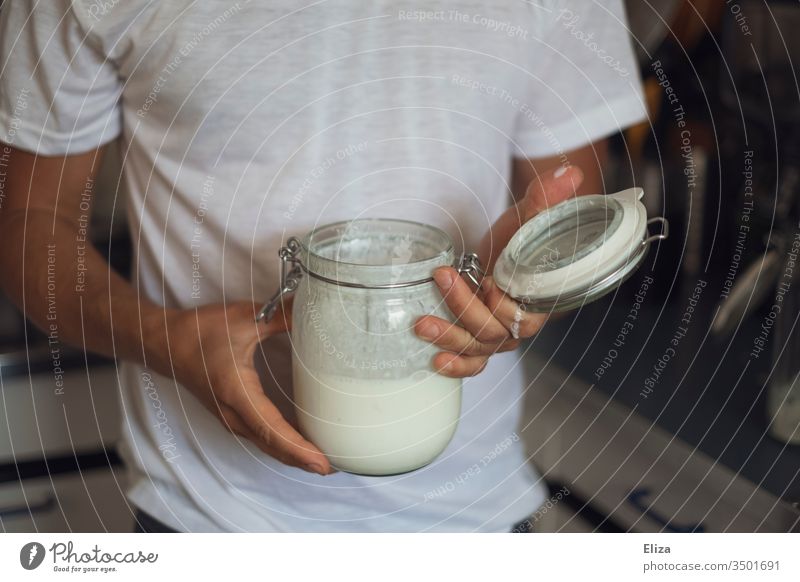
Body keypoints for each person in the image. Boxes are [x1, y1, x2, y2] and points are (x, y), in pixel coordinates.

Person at [0, 0, 646, 532]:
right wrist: (161, 340)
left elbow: (567, 204)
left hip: (473, 510)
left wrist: (520, 285)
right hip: (210, 513)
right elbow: (29, 228)